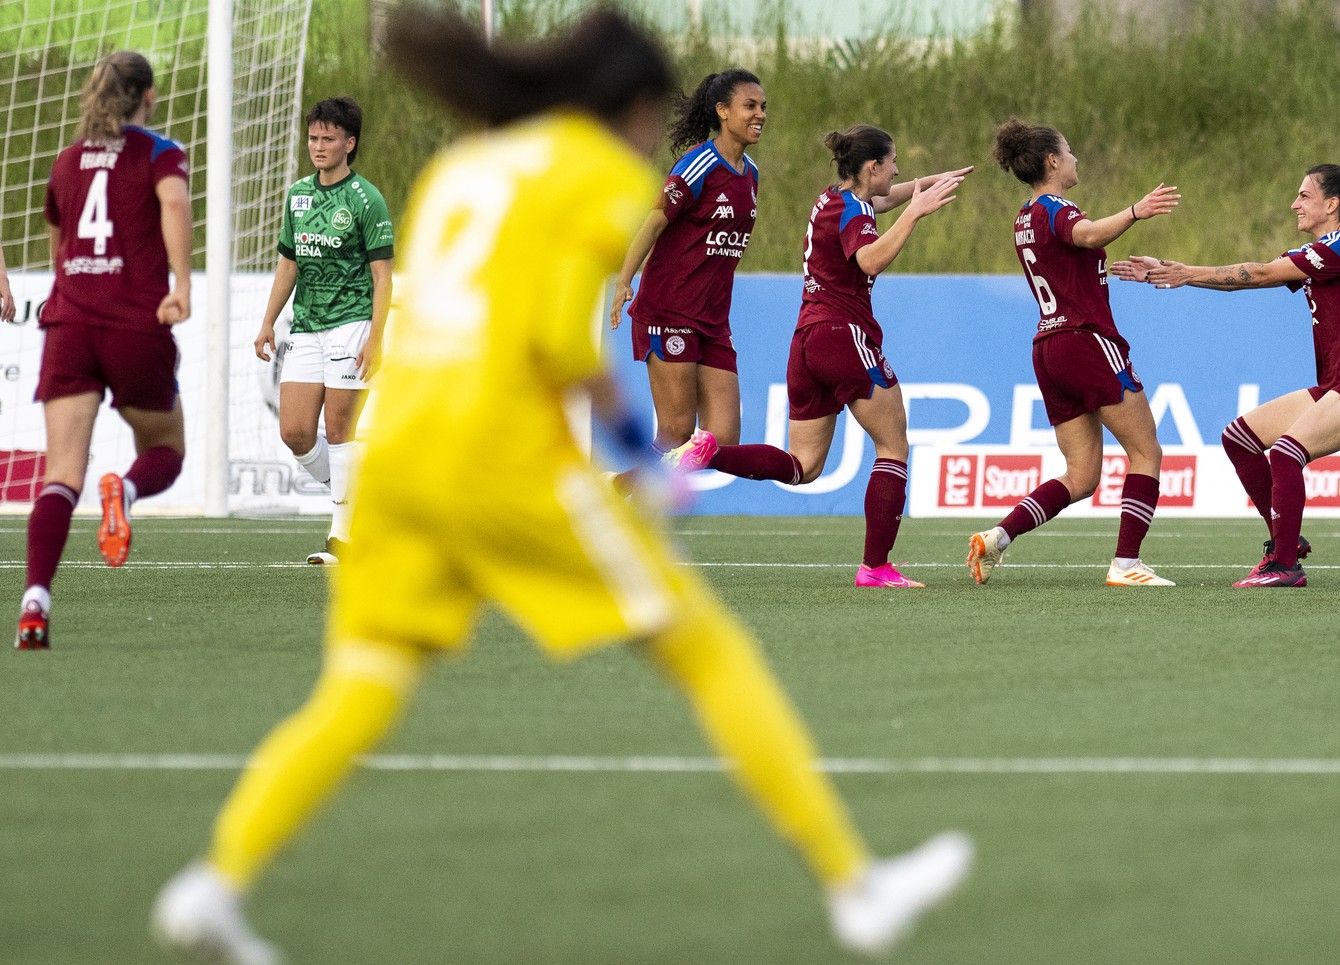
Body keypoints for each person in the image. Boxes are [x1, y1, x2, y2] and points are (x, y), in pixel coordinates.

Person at [151, 10, 972, 964]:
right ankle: (855, 884)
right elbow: (553, 341)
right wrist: (639, 447)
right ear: (623, 105)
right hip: (499, 462)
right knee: (702, 647)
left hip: (402, 461)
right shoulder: (589, 176)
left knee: (362, 687)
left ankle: (215, 880)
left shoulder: (465, 169)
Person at [665, 125, 967, 588]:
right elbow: (868, 259)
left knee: (803, 466)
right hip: (843, 336)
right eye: (892, 163)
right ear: (872, 167)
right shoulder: (853, 211)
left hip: (807, 341)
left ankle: (706, 453)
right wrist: (917, 213)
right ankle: (875, 567)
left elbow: (882, 201)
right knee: (893, 445)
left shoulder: (835, 199)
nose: (899, 170)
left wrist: (926, 185)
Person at [1114, 164, 1340, 588]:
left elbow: (1262, 273)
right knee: (1239, 438)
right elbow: (1252, 277)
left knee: (1287, 453)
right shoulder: (1327, 250)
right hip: (1338, 387)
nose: (1295, 203)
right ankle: (1283, 539)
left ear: (1332, 204)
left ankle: (1284, 564)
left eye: (1304, 195)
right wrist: (1170, 272)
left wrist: (1184, 273)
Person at [14, 51, 192, 651]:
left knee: (60, 475)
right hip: (134, 326)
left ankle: (35, 600)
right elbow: (172, 201)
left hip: (70, 327)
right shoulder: (159, 152)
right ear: (145, 97)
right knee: (166, 446)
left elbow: (60, 247)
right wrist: (182, 283)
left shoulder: (65, 161)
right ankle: (127, 492)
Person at [964, 121, 1181, 588]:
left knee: (1081, 476)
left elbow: (1075, 255)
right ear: (1052, 162)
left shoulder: (1025, 216)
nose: (1077, 157)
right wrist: (1135, 211)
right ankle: (1126, 565)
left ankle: (998, 537)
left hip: (1049, 346)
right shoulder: (1055, 206)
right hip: (1087, 341)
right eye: (1070, 150)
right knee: (1147, 452)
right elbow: (1085, 236)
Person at [253, 96, 394, 566]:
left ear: (349, 144)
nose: (318, 145)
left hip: (352, 324)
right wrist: (268, 321)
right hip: (308, 326)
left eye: (328, 138)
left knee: (338, 430)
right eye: (313, 137)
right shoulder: (298, 195)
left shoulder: (365, 199)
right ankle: (361, 498)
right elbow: (288, 263)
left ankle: (343, 538)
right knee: (294, 431)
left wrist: (375, 337)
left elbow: (382, 276)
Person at [608, 68, 766, 475]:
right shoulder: (698, 165)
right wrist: (625, 279)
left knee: (723, 440)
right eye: (750, 106)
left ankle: (625, 489)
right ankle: (625, 496)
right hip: (669, 311)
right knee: (677, 430)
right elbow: (655, 220)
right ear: (723, 111)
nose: (760, 114)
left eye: (763, 107)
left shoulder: (751, 174)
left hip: (713, 321)